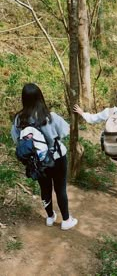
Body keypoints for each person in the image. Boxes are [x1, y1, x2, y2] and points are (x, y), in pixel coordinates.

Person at [11, 83, 78, 230]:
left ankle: (49, 217)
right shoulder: (49, 116)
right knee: (60, 188)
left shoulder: (18, 119)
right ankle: (66, 220)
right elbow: (64, 132)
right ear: (40, 97)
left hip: (37, 161)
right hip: (57, 157)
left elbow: (17, 140)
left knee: (45, 188)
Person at [73, 89, 117, 204]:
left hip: (113, 147)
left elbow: (93, 119)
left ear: (116, 98)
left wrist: (82, 113)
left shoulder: (109, 111)